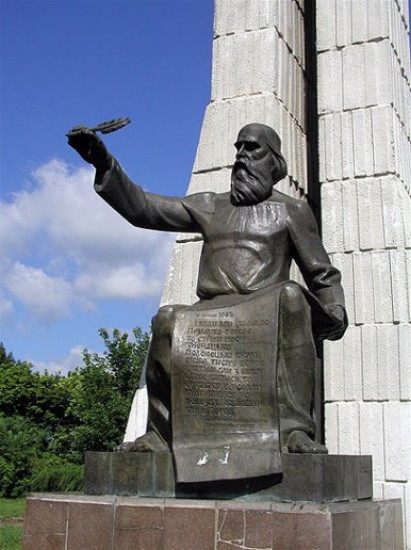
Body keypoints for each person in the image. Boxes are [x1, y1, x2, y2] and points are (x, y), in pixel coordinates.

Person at [67, 123, 347, 456]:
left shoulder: (292, 211)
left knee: (291, 296)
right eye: (238, 148)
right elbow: (143, 207)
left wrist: (335, 307)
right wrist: (103, 162)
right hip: (211, 311)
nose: (241, 157)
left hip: (263, 309)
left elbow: (321, 272)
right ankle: (160, 434)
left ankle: (294, 431)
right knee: (167, 318)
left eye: (252, 148)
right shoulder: (212, 205)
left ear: (273, 162)